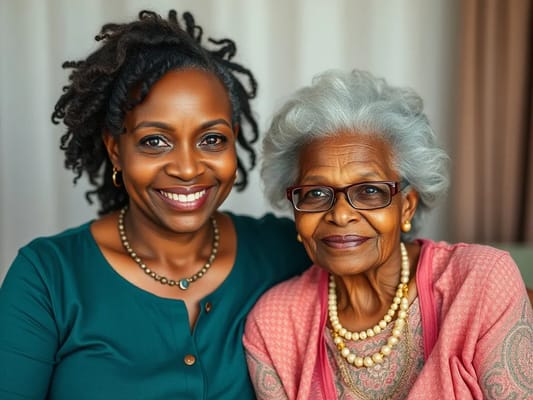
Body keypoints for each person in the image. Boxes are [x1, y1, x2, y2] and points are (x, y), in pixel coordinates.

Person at [0, 10, 310, 399]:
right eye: (154, 141)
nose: (186, 168)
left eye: (211, 139)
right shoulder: (48, 278)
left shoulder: (287, 252)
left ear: (234, 139)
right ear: (116, 150)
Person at [243, 69, 533, 399]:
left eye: (368, 190)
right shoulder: (273, 325)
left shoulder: (480, 283)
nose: (339, 214)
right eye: (316, 193)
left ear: (406, 206)